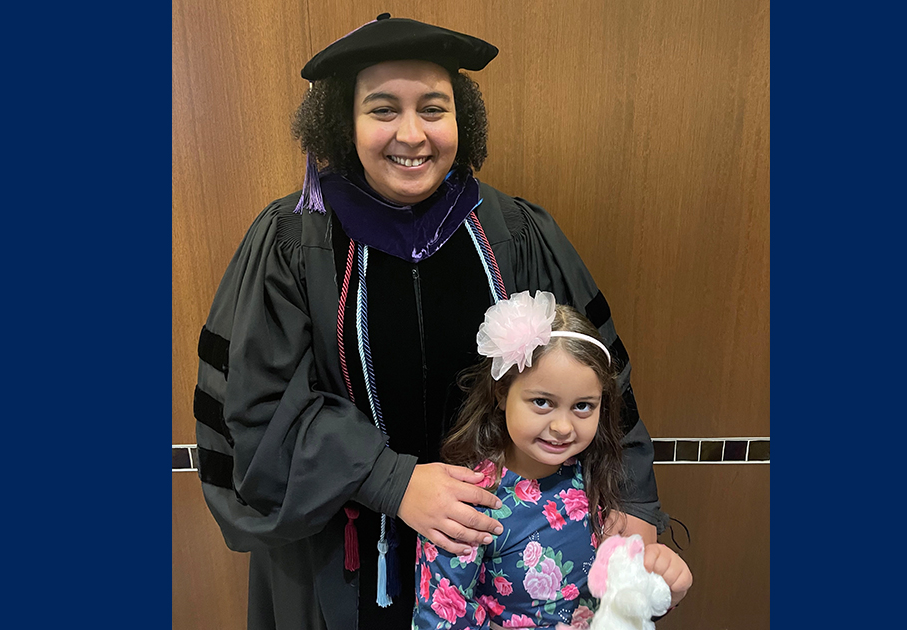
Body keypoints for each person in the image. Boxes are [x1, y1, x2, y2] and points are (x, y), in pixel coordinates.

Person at [192, 14, 676, 629]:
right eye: (383, 109)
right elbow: (254, 412)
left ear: (460, 122)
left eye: (434, 108)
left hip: (507, 561)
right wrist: (392, 480)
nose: (412, 134)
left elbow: (595, 375)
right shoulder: (292, 243)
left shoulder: (516, 235)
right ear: (346, 122)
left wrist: (631, 495)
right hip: (340, 555)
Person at [413, 292, 691, 629]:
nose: (562, 427)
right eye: (542, 402)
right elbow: (441, 618)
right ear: (502, 393)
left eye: (583, 406)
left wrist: (663, 587)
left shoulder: (594, 477)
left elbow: (620, 602)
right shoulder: (467, 504)